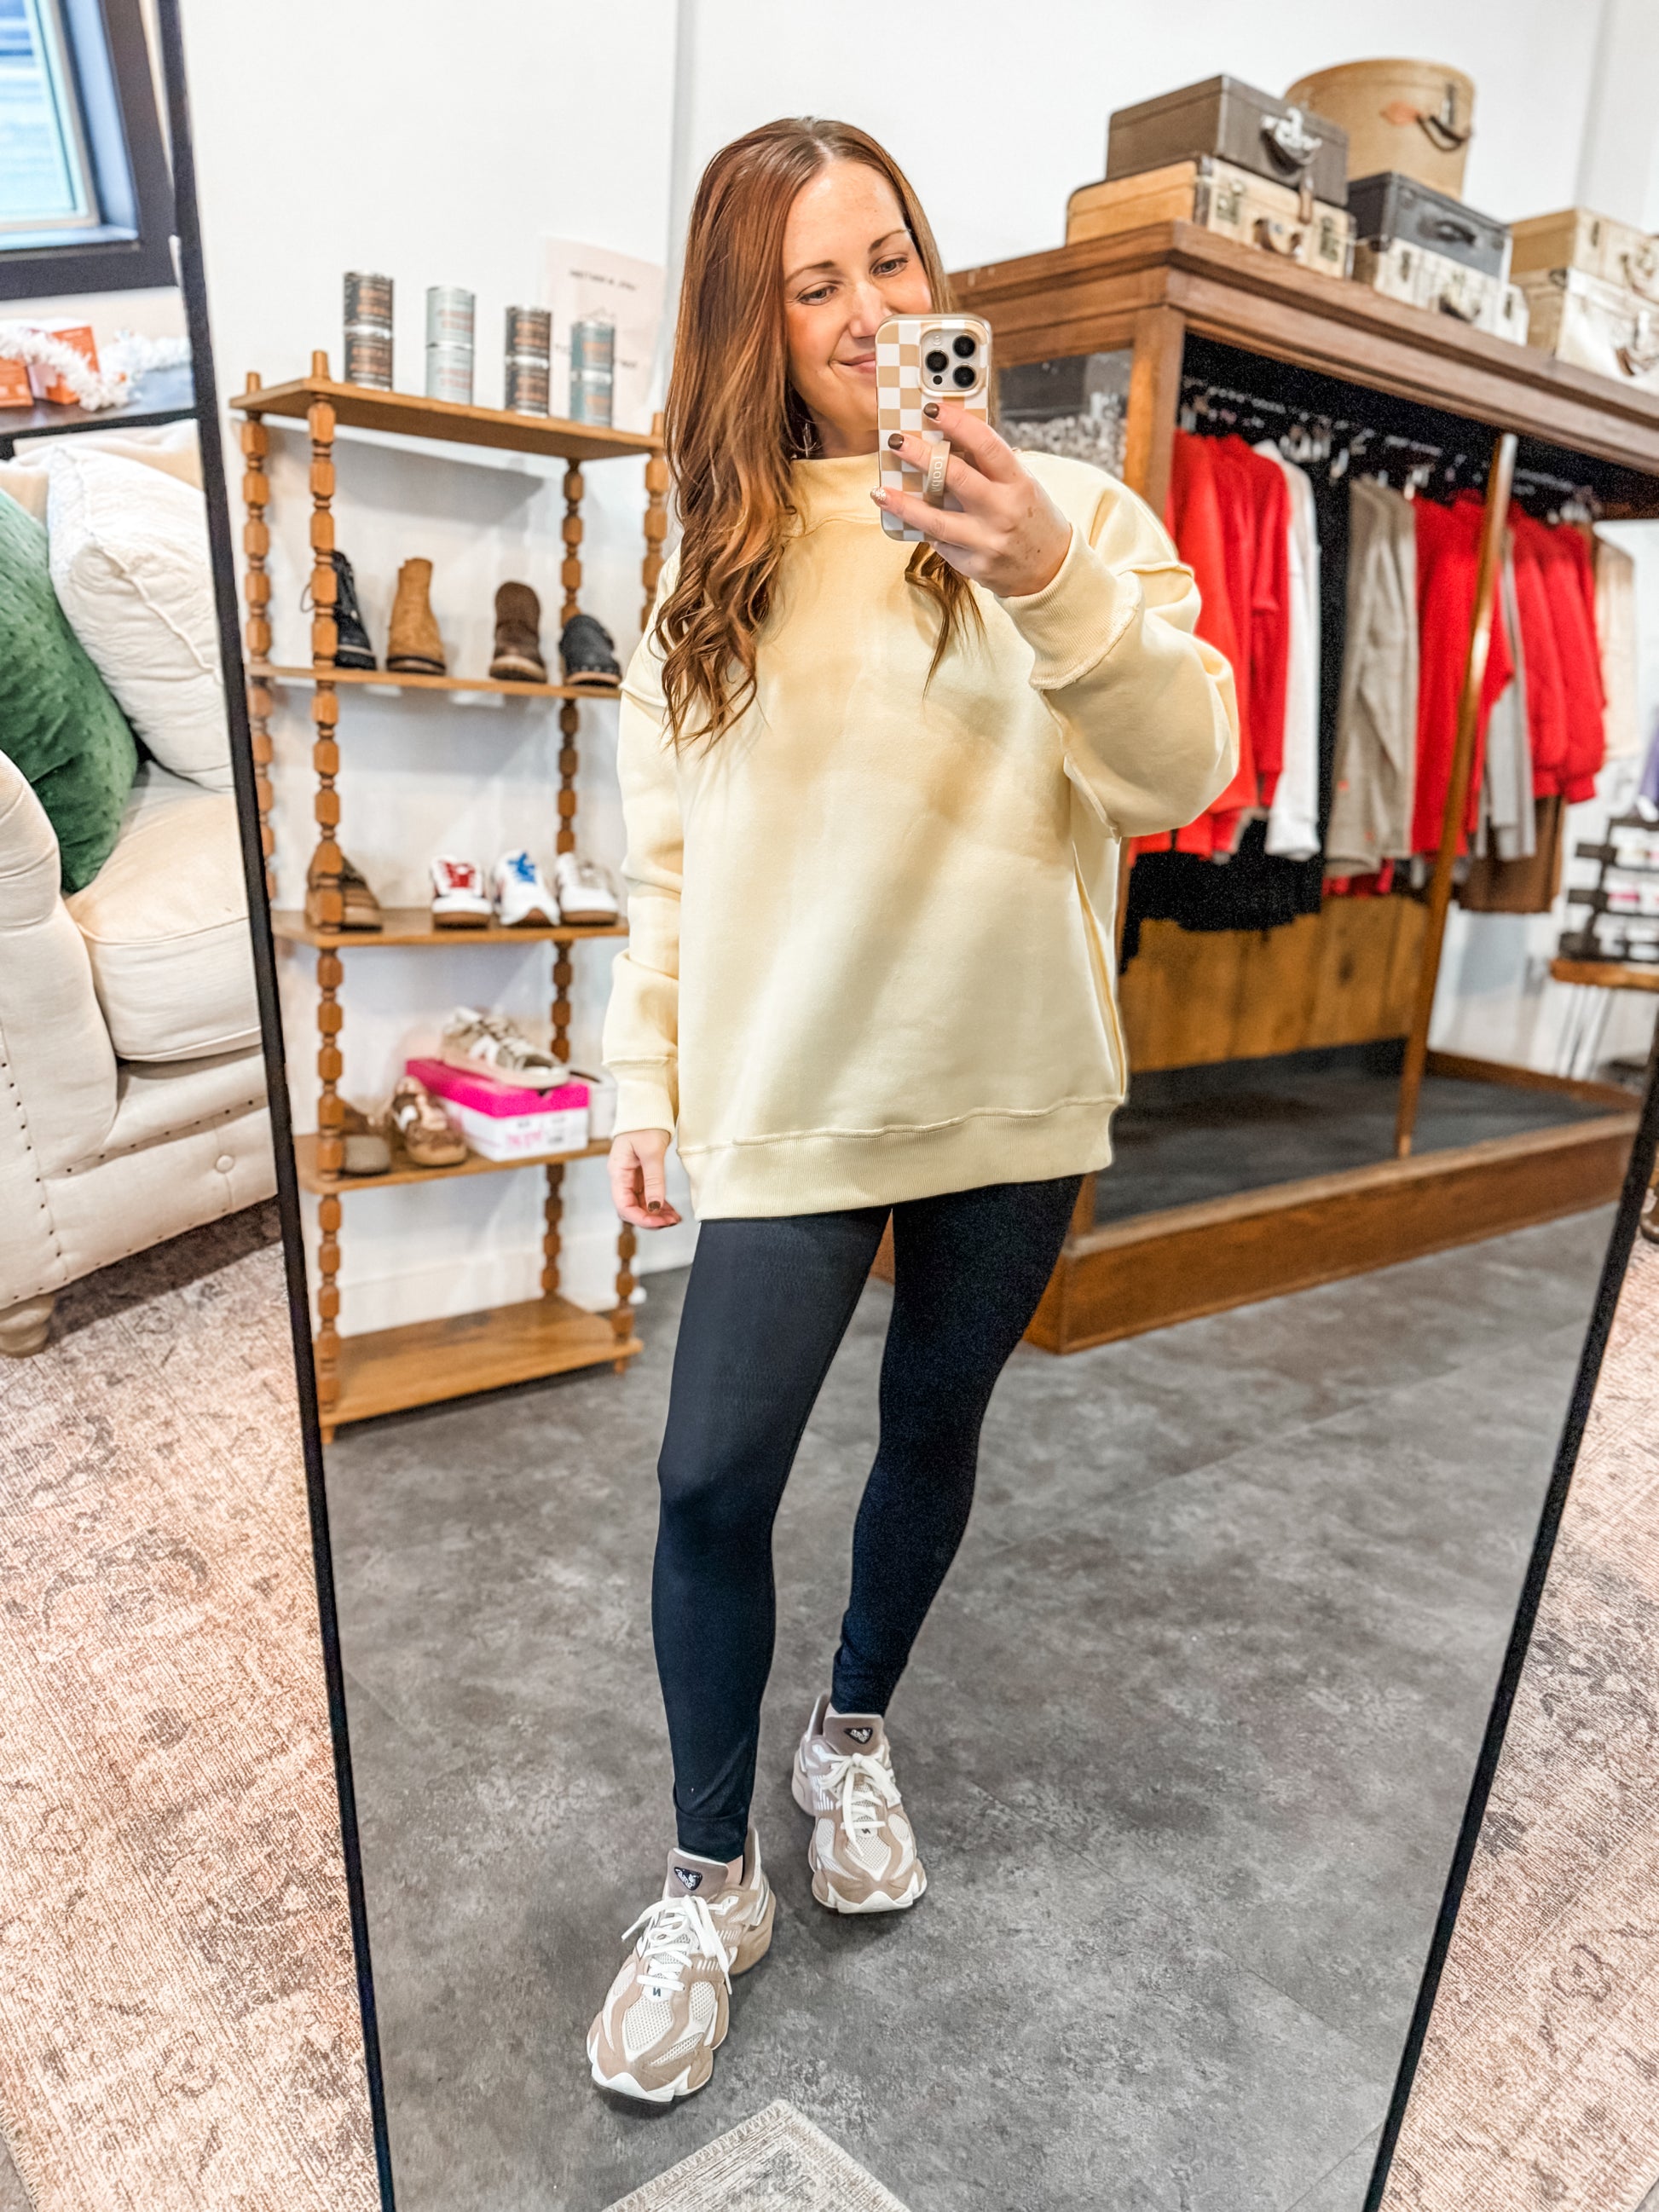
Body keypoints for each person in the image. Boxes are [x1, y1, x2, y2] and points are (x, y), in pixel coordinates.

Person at [587, 116, 1238, 2104]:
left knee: (931, 1433)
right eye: (816, 284)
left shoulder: (1077, 514)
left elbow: (1185, 768)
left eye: (890, 260)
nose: (871, 310)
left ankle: (850, 1732)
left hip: (1011, 1084)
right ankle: (707, 1880)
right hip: (793, 1090)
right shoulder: (709, 564)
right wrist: (641, 1073)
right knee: (710, 1481)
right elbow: (665, 863)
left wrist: (1040, 569)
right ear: (754, 327)